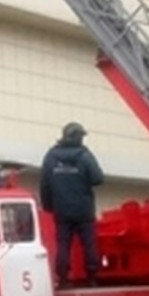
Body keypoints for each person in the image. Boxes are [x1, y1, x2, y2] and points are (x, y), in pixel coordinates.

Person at [40, 121, 104, 286]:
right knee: (89, 244)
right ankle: (92, 278)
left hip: (62, 210)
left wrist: (48, 206)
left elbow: (44, 185)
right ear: (78, 137)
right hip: (83, 209)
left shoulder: (51, 156)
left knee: (63, 244)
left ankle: (63, 278)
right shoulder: (84, 155)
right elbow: (98, 179)